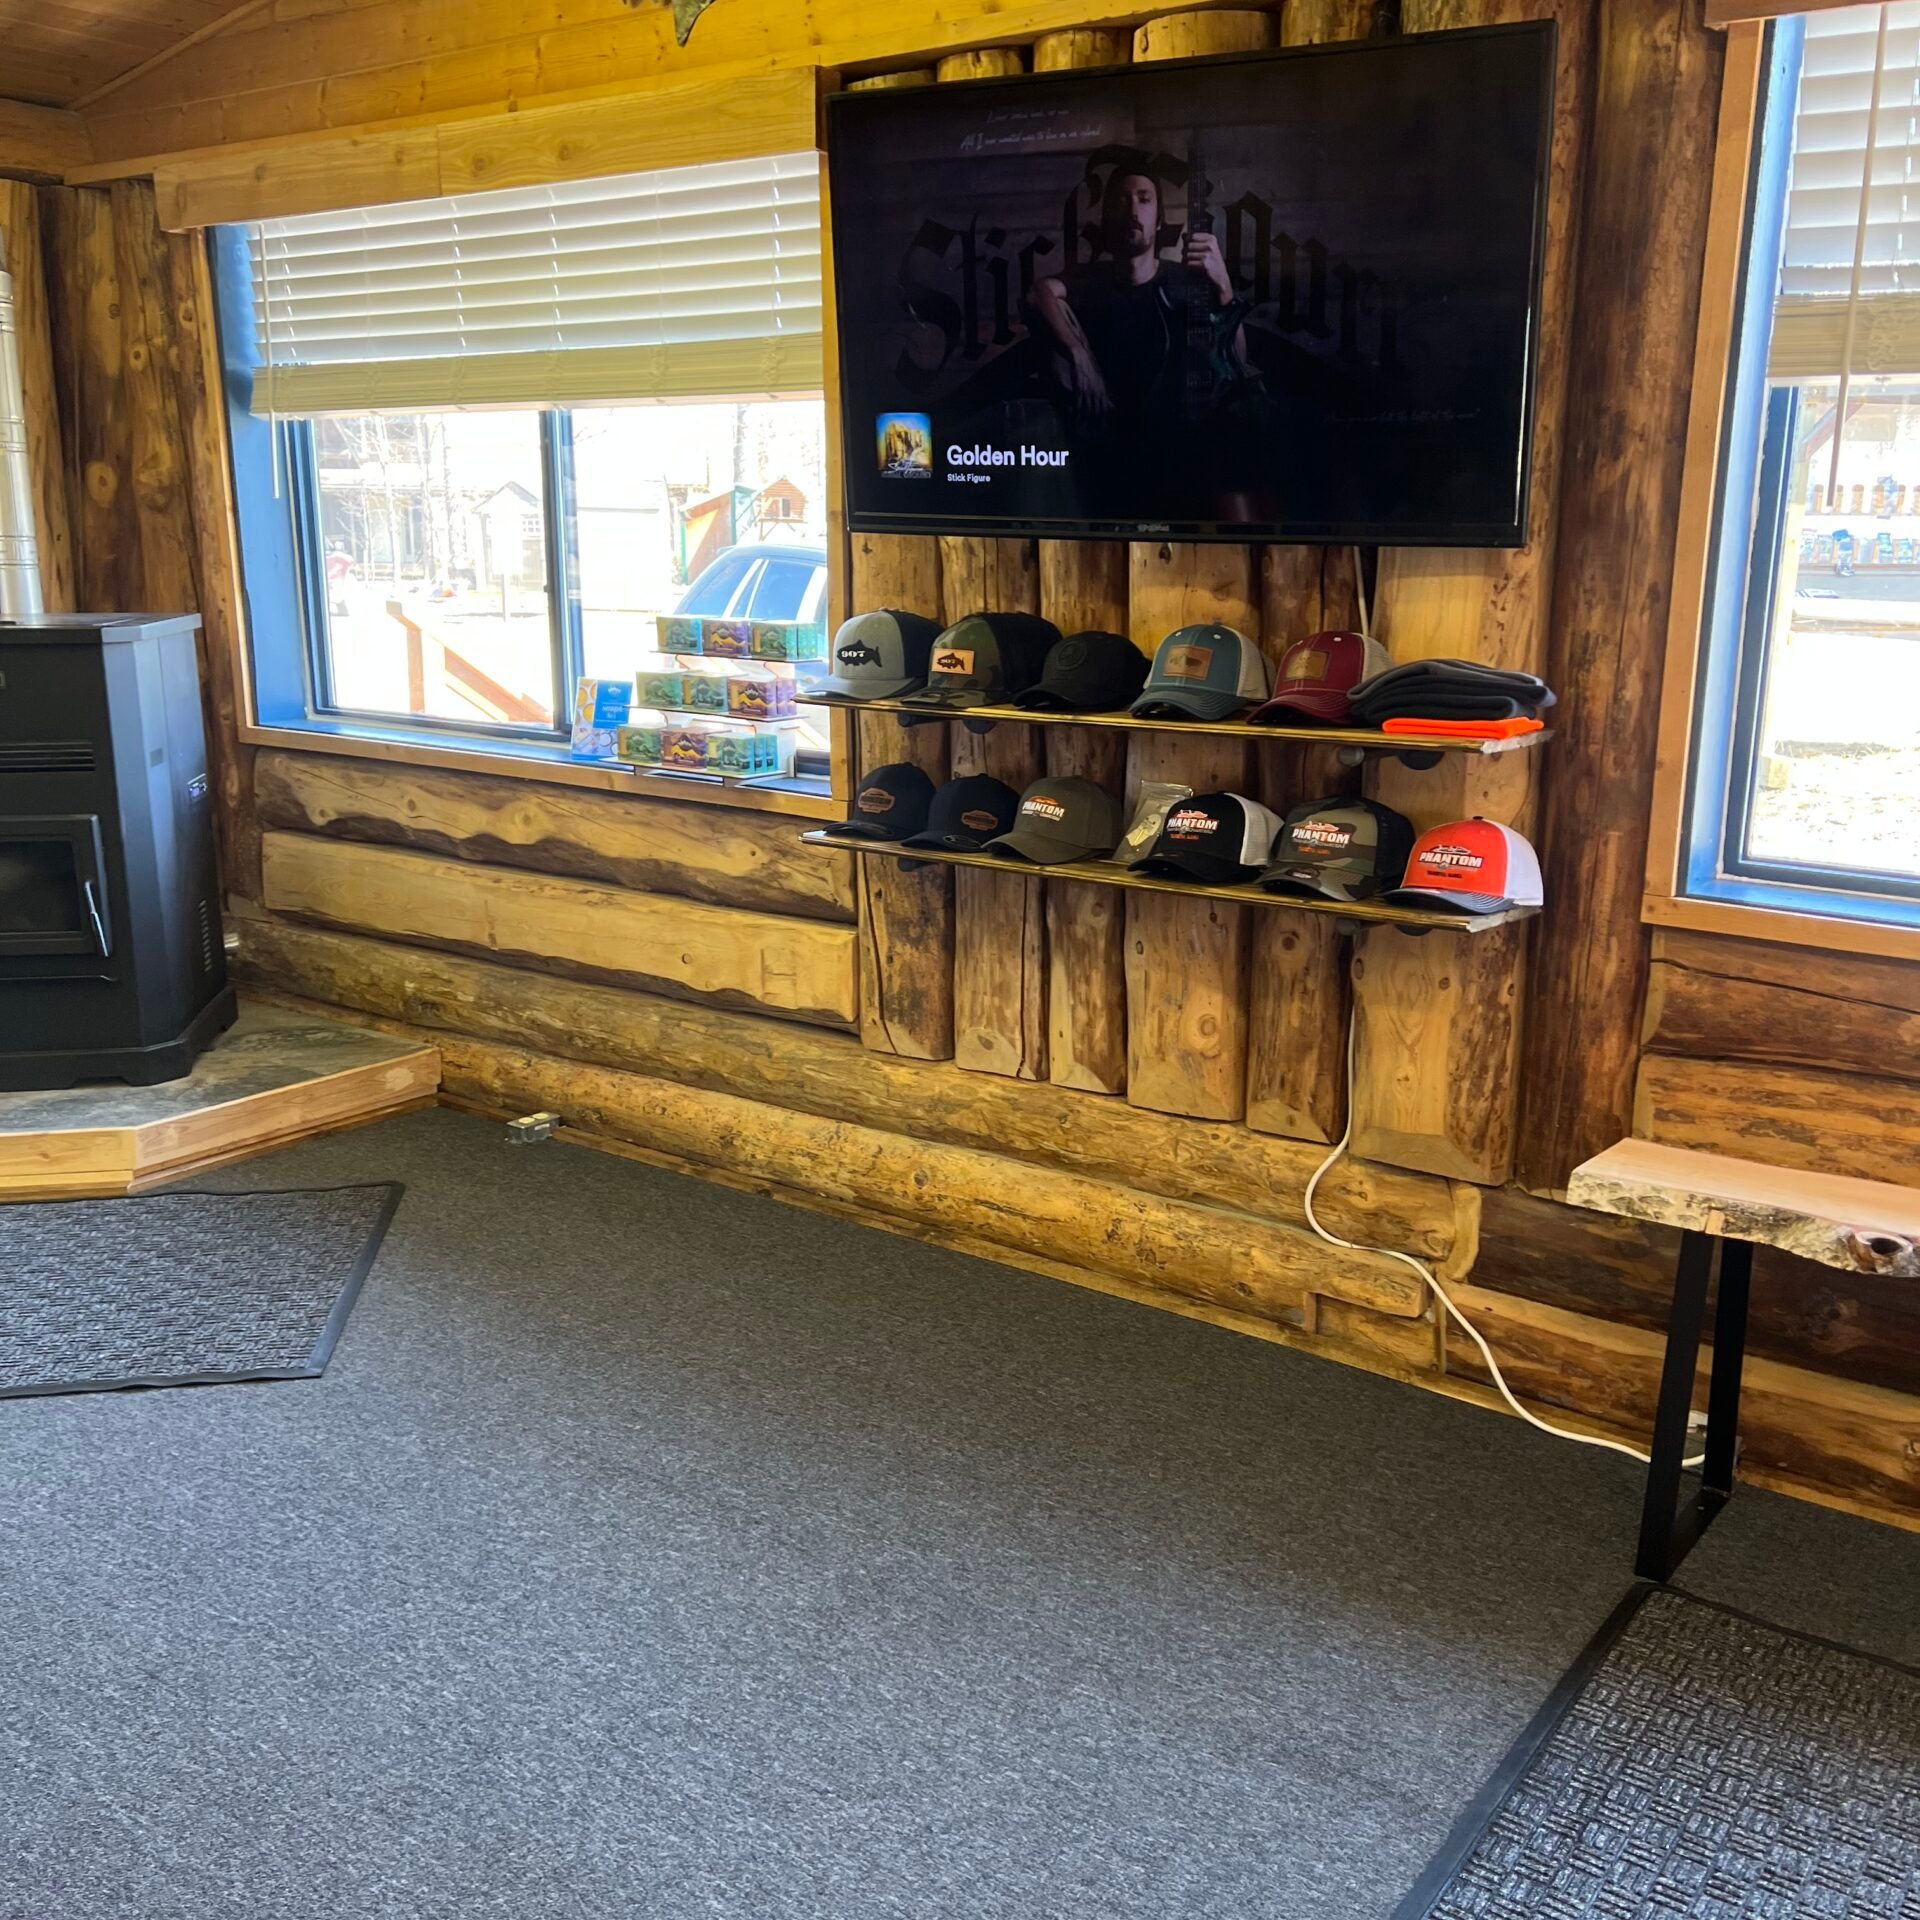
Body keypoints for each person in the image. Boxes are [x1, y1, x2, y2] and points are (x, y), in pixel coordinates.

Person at [1028, 157, 1249, 444]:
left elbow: (1237, 365)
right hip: (1104, 442)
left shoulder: (1186, 282)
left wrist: (1223, 287)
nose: (1133, 210)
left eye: (1144, 200)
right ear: (1108, 218)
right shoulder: (1093, 280)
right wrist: (1078, 355)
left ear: (1158, 220)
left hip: (1173, 444)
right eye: (1122, 200)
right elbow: (1038, 292)